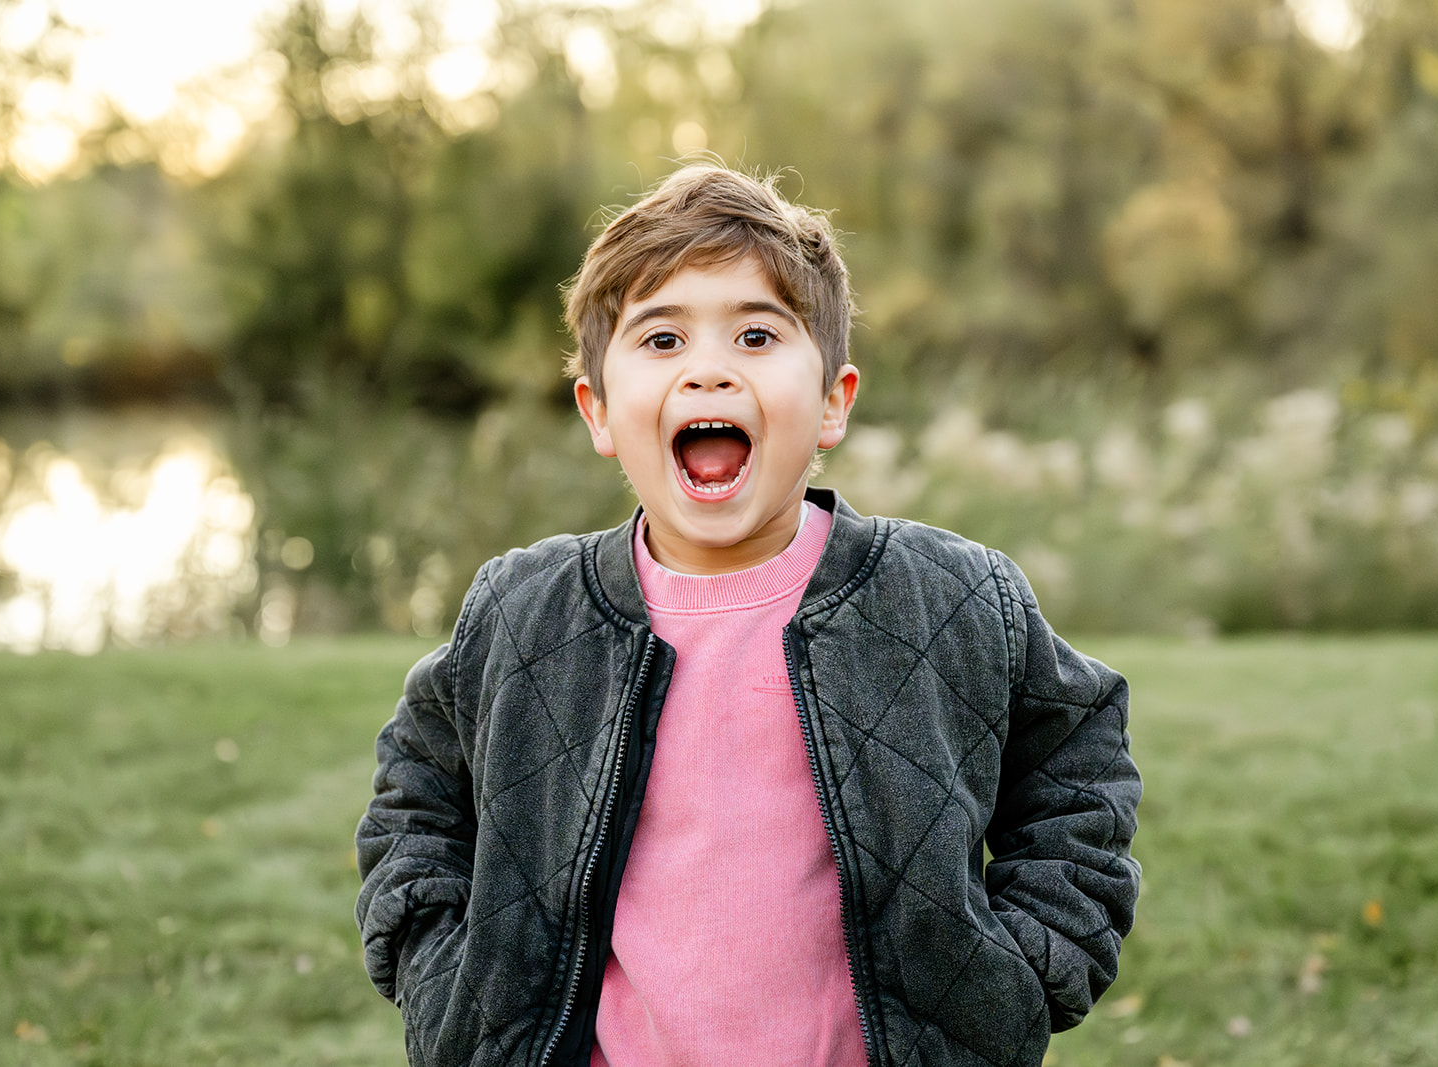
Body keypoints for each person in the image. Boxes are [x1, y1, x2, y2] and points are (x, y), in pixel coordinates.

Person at [355, 164, 1141, 1067]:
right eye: (661, 341)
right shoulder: (524, 612)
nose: (709, 371)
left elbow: (1078, 760)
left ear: (834, 403)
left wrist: (1028, 969)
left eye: (757, 335)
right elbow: (416, 791)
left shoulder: (951, 596)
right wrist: (442, 973)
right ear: (600, 411)